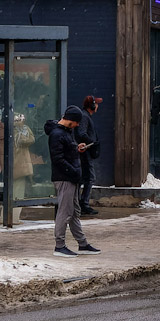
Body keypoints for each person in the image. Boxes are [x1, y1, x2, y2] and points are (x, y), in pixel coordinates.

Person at [48, 107, 99, 256]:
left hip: (71, 177)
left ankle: (82, 243)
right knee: (65, 212)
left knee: (74, 212)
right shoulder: (57, 134)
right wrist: (73, 171)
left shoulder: (64, 133)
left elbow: (64, 153)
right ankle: (59, 246)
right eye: (76, 122)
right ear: (70, 120)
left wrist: (77, 148)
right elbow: (58, 159)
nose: (77, 125)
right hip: (65, 178)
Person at [78, 96, 103, 215]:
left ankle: (81, 203)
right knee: (89, 178)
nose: (98, 106)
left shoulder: (86, 116)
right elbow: (81, 133)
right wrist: (91, 143)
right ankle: (84, 204)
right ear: (92, 106)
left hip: (87, 151)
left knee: (85, 177)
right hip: (85, 152)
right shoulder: (84, 116)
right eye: (96, 104)